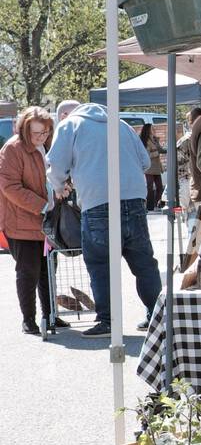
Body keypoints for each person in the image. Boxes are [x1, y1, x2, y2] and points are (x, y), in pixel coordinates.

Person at [46, 102, 161, 337]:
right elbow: (146, 162)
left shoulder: (70, 126)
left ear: (65, 114)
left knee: (100, 265)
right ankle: (156, 316)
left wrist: (59, 186)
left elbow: (56, 164)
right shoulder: (122, 125)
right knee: (144, 263)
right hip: (134, 199)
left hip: (97, 201)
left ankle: (108, 321)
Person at [1, 106, 66, 335]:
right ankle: (29, 319)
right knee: (28, 271)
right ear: (25, 129)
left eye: (45, 133)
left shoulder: (47, 146)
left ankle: (51, 316)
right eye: (36, 133)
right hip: (21, 223)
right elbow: (9, 187)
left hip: (46, 222)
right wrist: (42, 205)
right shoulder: (13, 149)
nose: (41, 137)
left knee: (48, 270)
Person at [140, 123, 164, 210]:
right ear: (148, 130)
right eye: (152, 128)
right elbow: (147, 154)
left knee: (160, 187)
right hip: (149, 168)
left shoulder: (154, 139)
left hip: (156, 167)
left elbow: (161, 150)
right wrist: (156, 153)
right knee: (149, 187)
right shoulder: (145, 140)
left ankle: (158, 205)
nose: (154, 130)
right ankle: (149, 207)